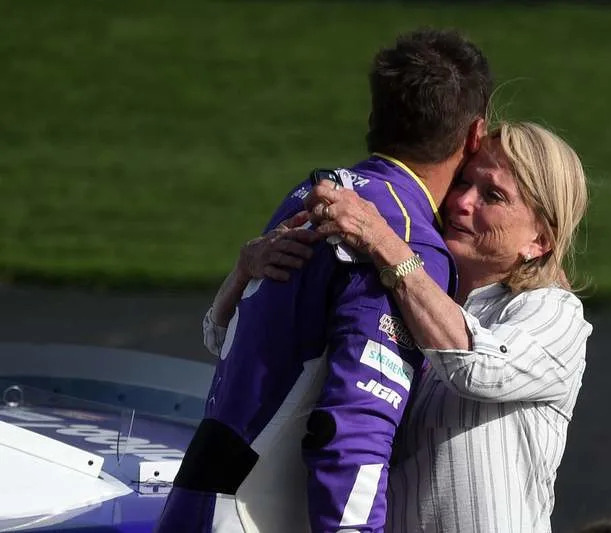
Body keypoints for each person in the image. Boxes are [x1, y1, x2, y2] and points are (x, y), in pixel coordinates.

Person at [155, 28, 493, 533]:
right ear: (473, 136)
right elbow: (351, 429)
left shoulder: (311, 194)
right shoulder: (402, 242)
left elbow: (241, 345)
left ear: (374, 115)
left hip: (195, 505)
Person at [210, 121, 592, 532]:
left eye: (493, 195)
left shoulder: (555, 313)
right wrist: (245, 273)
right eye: (462, 181)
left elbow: (478, 368)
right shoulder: (412, 292)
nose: (461, 201)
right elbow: (224, 342)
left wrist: (384, 241)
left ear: (540, 240)